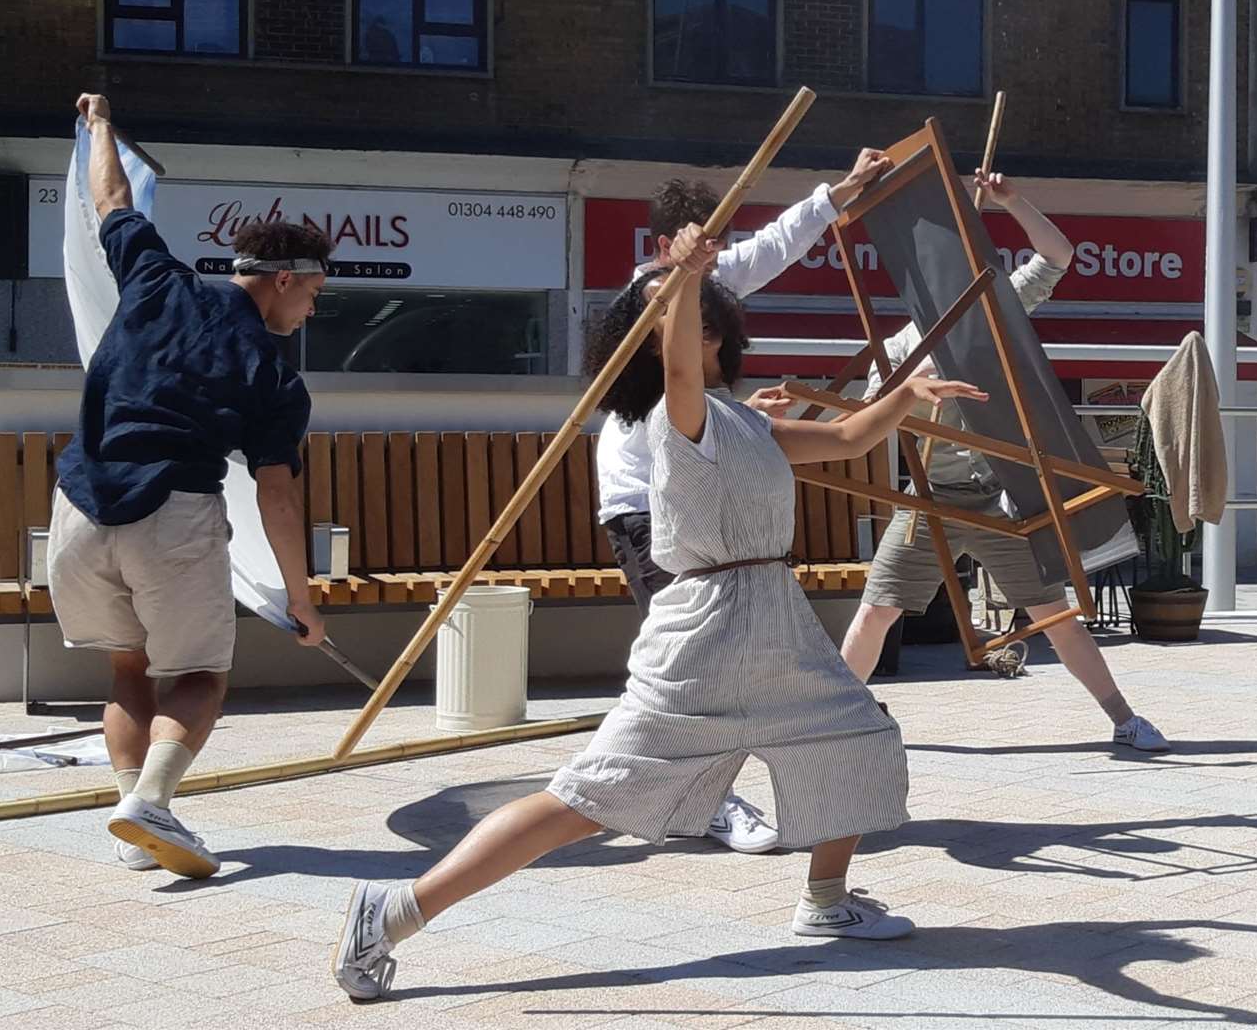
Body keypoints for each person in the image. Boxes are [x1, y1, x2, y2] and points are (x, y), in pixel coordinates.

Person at [331, 224, 989, 1002]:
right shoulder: (670, 414)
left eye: (702, 306)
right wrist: (679, 277)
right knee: (587, 799)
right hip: (706, 631)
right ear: (644, 340)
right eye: (669, 310)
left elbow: (848, 436)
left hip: (773, 621)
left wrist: (906, 396)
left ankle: (826, 903)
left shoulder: (741, 418)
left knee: (856, 738)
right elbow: (679, 362)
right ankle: (394, 910)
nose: (691, 316)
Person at [48, 93, 329, 879]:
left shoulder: (154, 281)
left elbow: (110, 198)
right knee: (200, 675)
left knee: (128, 670)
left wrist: (99, 125)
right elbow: (277, 495)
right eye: (312, 295)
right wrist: (299, 599)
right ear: (280, 279)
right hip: (171, 515)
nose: (310, 312)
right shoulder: (274, 376)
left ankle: (131, 819)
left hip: (79, 507)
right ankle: (152, 803)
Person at [596, 150, 892, 852]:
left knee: (705, 667)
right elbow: (680, 333)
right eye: (701, 239)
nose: (718, 254)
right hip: (652, 506)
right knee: (692, 668)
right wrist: (691, 274)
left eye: (717, 240)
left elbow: (769, 247)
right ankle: (686, 792)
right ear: (669, 244)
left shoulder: (694, 291)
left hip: (689, 493)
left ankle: (694, 791)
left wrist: (840, 191)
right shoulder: (654, 295)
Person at [840, 170, 1169, 752]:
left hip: (997, 497)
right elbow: (869, 415)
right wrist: (918, 382)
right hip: (930, 504)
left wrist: (1011, 200)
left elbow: (1057, 254)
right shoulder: (896, 347)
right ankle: (831, 719)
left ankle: (1124, 718)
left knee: (1054, 614)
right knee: (877, 612)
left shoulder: (995, 309)